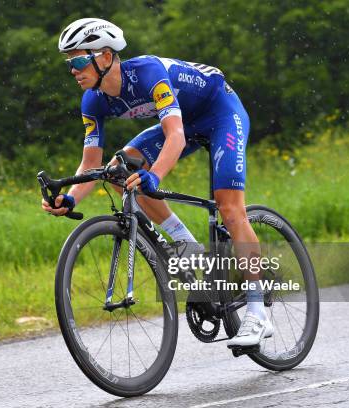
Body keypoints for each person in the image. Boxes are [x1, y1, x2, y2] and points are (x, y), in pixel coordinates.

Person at [41, 17, 273, 348]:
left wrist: (155, 175)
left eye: (78, 60)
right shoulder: (92, 100)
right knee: (118, 169)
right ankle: (185, 242)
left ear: (105, 57)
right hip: (185, 122)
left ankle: (256, 313)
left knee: (229, 207)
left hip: (220, 111)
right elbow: (91, 163)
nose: (74, 71)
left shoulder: (148, 74)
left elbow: (174, 136)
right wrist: (71, 199)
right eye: (70, 64)